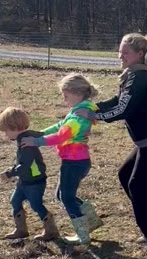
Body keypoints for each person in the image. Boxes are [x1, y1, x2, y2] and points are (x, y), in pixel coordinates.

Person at [76, 33, 147, 245]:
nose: (120, 55)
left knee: (138, 186)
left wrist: (94, 116)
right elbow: (119, 100)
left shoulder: (140, 77)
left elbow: (124, 109)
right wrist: (94, 107)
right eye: (120, 51)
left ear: (140, 54)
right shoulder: (134, 74)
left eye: (125, 52)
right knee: (126, 175)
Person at [21, 73, 103, 246]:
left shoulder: (79, 116)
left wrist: (37, 141)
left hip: (74, 162)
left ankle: (82, 234)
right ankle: (92, 219)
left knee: (66, 196)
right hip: (75, 161)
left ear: (78, 94)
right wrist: (40, 133)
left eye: (66, 96)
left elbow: (61, 135)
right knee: (62, 194)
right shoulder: (77, 112)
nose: (64, 100)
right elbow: (59, 126)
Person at [0, 107, 59, 241]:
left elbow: (25, 165)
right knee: (15, 200)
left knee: (36, 205)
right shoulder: (25, 138)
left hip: (34, 181)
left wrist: (9, 173)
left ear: (14, 127)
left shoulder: (26, 143)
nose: (5, 135)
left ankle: (51, 230)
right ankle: (21, 230)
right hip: (25, 181)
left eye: (6, 131)